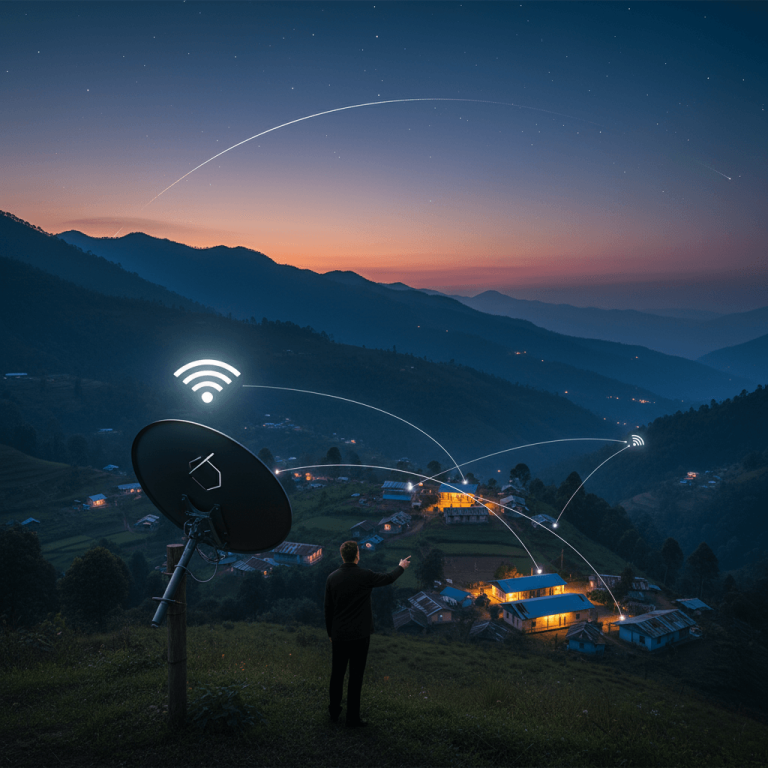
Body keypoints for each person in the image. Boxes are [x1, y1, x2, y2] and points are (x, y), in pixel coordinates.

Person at [324, 540, 410, 727]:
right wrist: (401, 566)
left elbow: (328, 609)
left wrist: (330, 632)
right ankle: (352, 718)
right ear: (357, 555)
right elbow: (388, 578)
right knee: (356, 676)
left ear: (342, 555)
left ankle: (333, 712)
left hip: (339, 634)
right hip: (360, 634)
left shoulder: (332, 578)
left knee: (337, 674)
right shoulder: (365, 575)